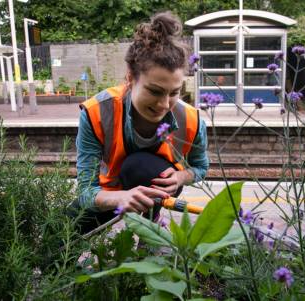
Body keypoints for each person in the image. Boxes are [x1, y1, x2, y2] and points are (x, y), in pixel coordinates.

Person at [73, 11, 209, 234]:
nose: (165, 104)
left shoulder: (192, 119)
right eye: (154, 91)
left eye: (174, 92)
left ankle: (149, 236)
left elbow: (201, 167)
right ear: (130, 78)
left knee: (138, 166)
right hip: (109, 192)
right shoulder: (97, 111)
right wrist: (121, 197)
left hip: (157, 187)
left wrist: (181, 177)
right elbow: (86, 191)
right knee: (58, 236)